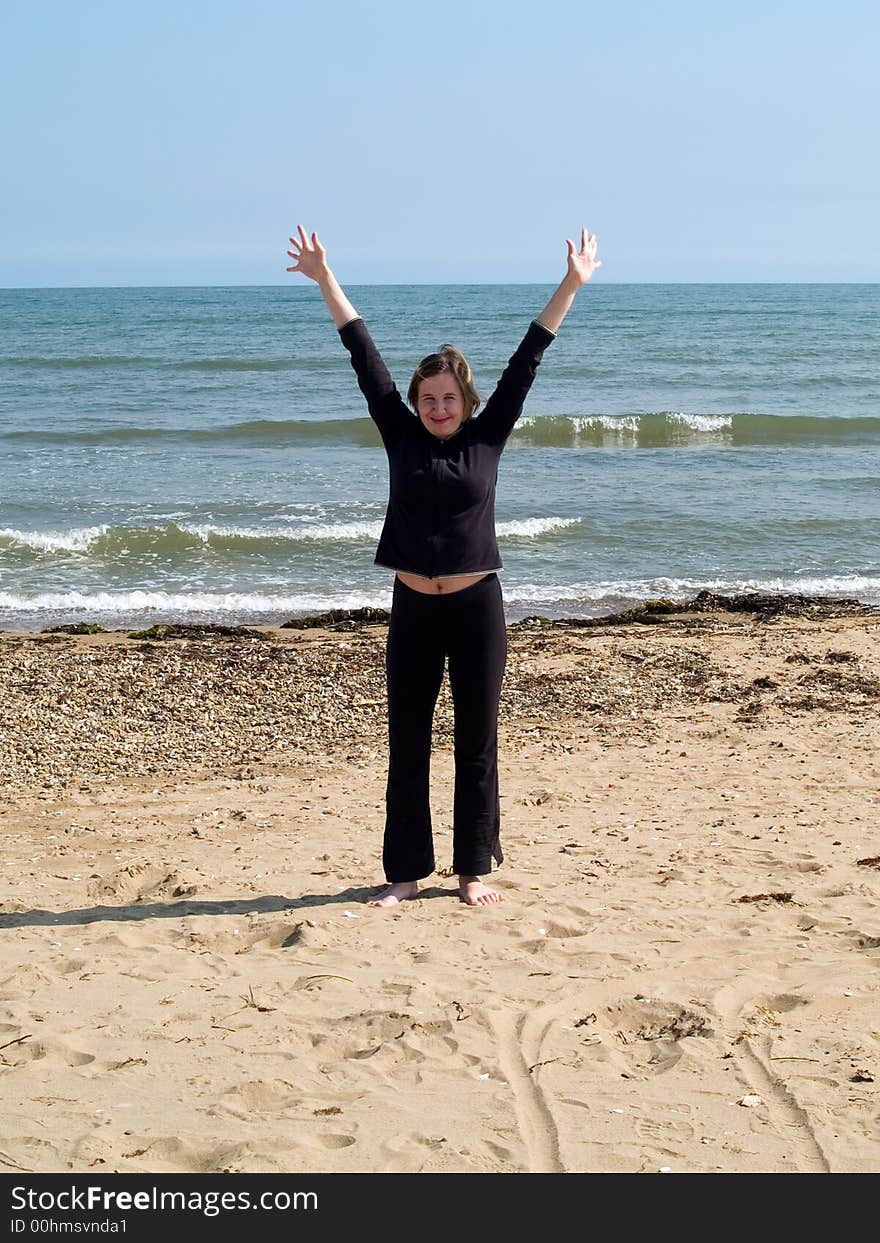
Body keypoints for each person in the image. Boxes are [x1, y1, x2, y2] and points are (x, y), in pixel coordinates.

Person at [286, 225, 601, 906]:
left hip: (476, 606)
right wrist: (324, 279)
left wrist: (571, 284)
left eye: (447, 398)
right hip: (414, 607)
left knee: (475, 741)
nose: (436, 408)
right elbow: (362, 355)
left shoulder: (489, 437)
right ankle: (404, 872)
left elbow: (528, 360)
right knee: (408, 741)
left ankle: (471, 869)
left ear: (466, 400)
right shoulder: (398, 431)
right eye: (427, 398)